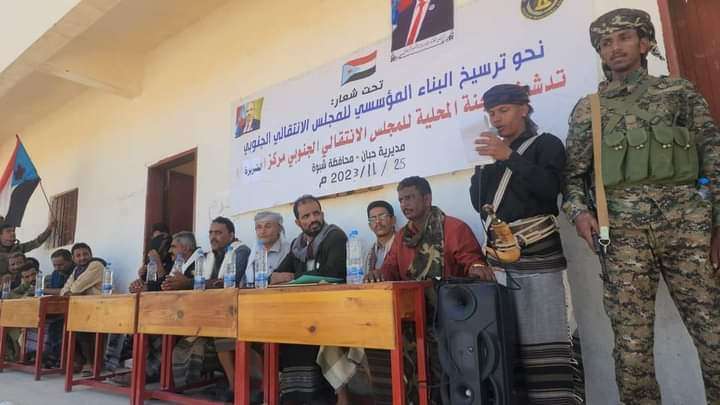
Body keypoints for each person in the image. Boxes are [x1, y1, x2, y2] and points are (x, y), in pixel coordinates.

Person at [563, 9, 720, 403]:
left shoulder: (678, 93)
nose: (614, 48)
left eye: (624, 38)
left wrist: (717, 222)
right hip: (622, 238)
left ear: (645, 43)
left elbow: (712, 156)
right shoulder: (589, 108)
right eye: (606, 43)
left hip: (688, 231)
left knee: (715, 335)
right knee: (632, 352)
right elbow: (573, 177)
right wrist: (581, 214)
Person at [469, 83, 584, 404]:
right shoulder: (491, 156)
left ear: (524, 109)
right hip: (500, 262)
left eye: (503, 110)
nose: (496, 119)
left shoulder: (546, 144)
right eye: (492, 113)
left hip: (540, 258)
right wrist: (481, 166)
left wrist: (509, 156)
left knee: (548, 340)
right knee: (506, 346)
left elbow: (549, 189)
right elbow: (479, 203)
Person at [365, 176, 489, 404]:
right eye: (401, 200)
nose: (404, 204)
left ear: (427, 199)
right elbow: (390, 268)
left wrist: (476, 267)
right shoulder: (402, 237)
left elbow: (472, 262)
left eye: (410, 197)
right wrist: (378, 273)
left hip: (449, 320)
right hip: (412, 320)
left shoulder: (453, 228)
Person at [271, 195, 347, 405]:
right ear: (298, 222)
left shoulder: (335, 237)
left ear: (322, 214)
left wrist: (293, 277)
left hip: (332, 308)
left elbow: (334, 271)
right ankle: (296, 397)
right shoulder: (298, 245)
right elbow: (276, 275)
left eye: (316, 213)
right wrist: (279, 276)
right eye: (306, 216)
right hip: (303, 311)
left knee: (313, 334)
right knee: (282, 334)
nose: (313, 219)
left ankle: (328, 397)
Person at [169, 219, 250, 402]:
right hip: (214, 312)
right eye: (211, 233)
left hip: (237, 311)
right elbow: (204, 284)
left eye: (218, 233)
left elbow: (229, 281)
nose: (213, 237)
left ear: (231, 235)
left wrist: (188, 282)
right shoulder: (209, 256)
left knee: (221, 333)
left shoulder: (241, 251)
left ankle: (236, 386)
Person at [61, 242, 105, 376]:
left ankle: (90, 363)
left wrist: (73, 291)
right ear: (73, 259)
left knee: (80, 325)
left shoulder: (96, 265)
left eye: (85, 254)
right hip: (85, 308)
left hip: (102, 307)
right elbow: (63, 291)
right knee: (67, 323)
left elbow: (75, 288)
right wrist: (72, 292)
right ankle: (79, 360)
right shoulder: (76, 270)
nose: (82, 258)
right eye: (78, 255)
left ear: (91, 255)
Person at [244, 211, 290, 286]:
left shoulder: (288, 251)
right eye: (259, 227)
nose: (262, 231)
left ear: (279, 229)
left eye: (268, 226)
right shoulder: (255, 250)